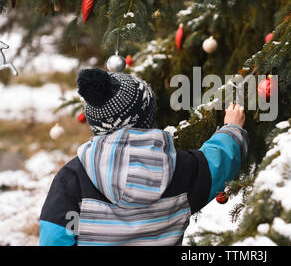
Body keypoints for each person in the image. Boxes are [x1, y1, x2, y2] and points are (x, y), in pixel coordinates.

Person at [39, 68, 248, 246]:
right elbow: (217, 164)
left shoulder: (73, 177)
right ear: (146, 117)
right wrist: (232, 129)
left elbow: (54, 237)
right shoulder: (179, 169)